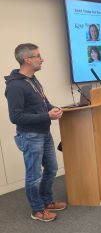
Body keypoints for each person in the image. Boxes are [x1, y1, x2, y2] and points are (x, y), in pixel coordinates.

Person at [4, 43, 66, 222]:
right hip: (30, 136)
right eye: (38, 56)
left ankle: (47, 201)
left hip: (44, 133)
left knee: (52, 168)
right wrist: (46, 115)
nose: (42, 59)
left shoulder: (33, 80)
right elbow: (16, 117)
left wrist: (53, 109)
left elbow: (43, 103)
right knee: (34, 175)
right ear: (27, 59)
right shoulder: (15, 86)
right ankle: (37, 210)